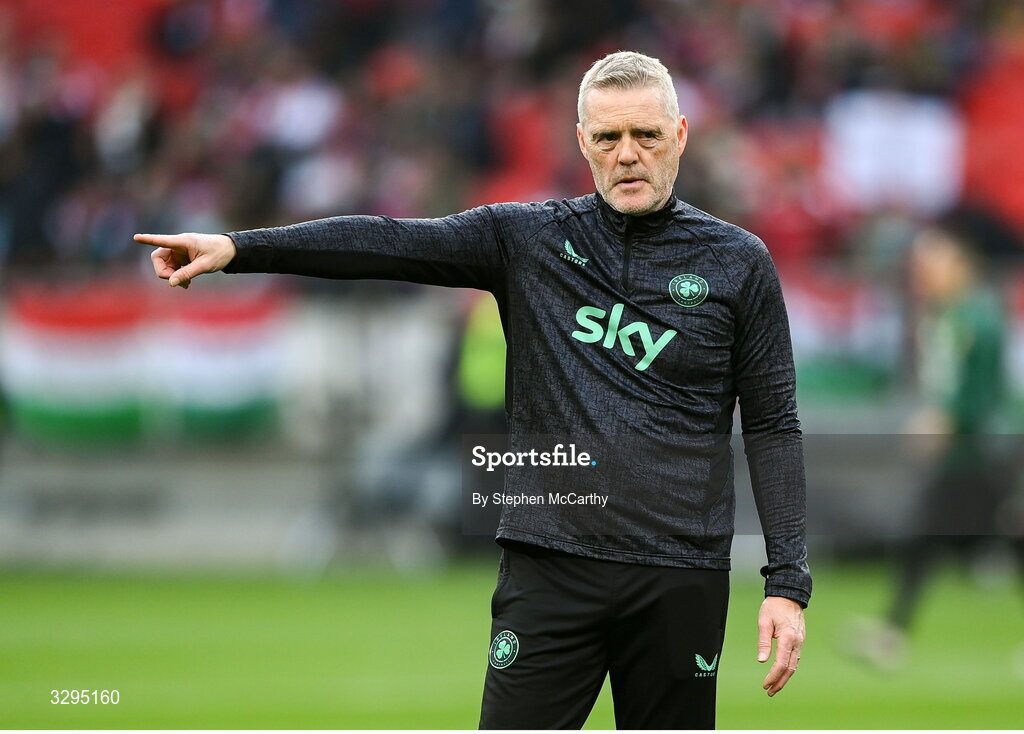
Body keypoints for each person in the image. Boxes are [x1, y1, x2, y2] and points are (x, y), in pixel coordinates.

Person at [135, 51, 810, 729]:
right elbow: (387, 241)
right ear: (583, 143)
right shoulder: (529, 240)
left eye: (646, 135)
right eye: (608, 138)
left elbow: (774, 424)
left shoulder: (737, 262)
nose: (627, 154)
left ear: (681, 135)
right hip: (552, 570)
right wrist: (239, 248)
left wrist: (786, 584)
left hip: (678, 577)